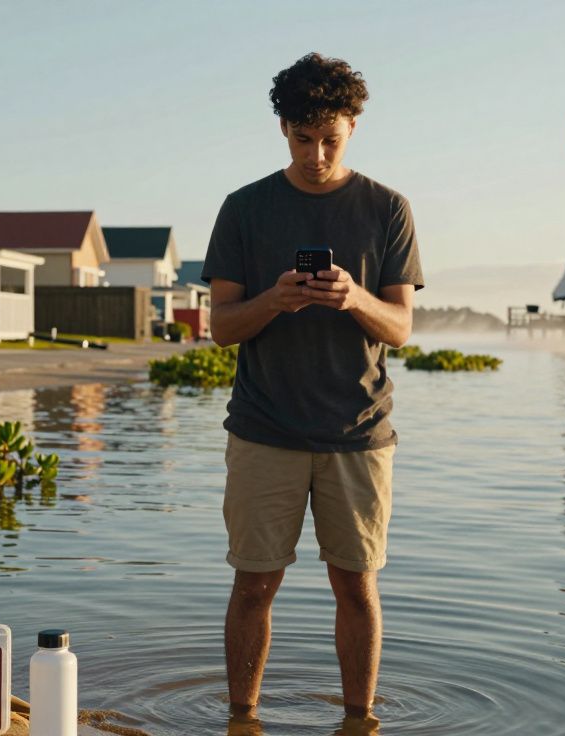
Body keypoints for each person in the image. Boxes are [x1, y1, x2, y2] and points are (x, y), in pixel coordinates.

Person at [202, 52, 423, 724]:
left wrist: (353, 296)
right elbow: (222, 328)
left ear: (352, 127)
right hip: (264, 428)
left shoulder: (388, 209)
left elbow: (402, 329)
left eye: (330, 139)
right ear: (282, 128)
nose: (317, 155)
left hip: (358, 434)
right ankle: (243, 719)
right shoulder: (244, 208)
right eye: (303, 139)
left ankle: (359, 721)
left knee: (356, 587)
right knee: (254, 584)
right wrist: (274, 300)